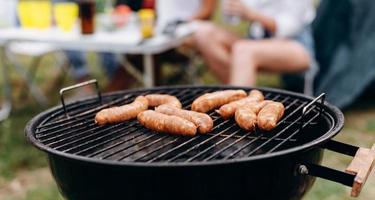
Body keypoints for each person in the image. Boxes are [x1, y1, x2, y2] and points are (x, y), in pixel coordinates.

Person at [194, 0, 316, 87]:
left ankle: (239, 108)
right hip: (255, 41)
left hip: (296, 46)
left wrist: (251, 14)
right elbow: (232, 20)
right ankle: (237, 90)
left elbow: (289, 27)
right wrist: (232, 7)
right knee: (204, 33)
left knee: (244, 50)